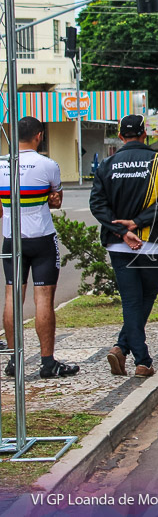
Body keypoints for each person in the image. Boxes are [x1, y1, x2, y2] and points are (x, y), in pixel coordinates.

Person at [90, 114, 158, 378]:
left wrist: (121, 230)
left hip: (118, 245)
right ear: (144, 134)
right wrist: (136, 223)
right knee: (145, 299)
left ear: (120, 135)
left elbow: (97, 204)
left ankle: (121, 348)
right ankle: (143, 361)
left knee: (131, 301)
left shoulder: (106, 164)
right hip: (150, 243)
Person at [0, 116, 79, 379]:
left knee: (12, 297)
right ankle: (47, 363)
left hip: (12, 239)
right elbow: (56, 201)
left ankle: (14, 361)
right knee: (43, 299)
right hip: (41, 238)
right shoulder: (49, 165)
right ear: (39, 136)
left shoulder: (1, 164)